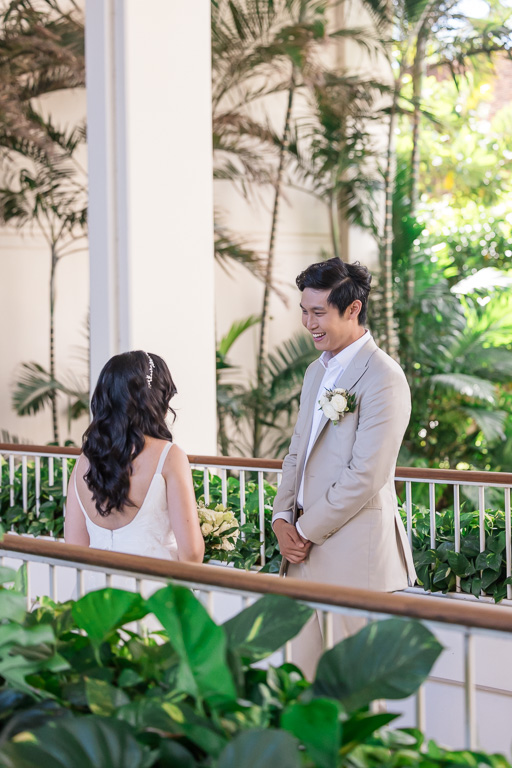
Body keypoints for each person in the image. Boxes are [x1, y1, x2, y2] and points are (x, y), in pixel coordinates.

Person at [272, 257, 416, 676]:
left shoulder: (384, 376)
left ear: (352, 309)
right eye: (304, 310)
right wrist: (282, 520)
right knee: (303, 688)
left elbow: (367, 475)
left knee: (351, 696)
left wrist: (303, 530)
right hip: (300, 557)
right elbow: (296, 452)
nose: (308, 322)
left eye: (319, 312)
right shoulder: (315, 373)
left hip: (354, 562)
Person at [65, 350, 204, 564]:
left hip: (98, 591)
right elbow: (192, 552)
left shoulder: (85, 460)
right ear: (157, 399)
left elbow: (75, 546)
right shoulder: (169, 457)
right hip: (154, 593)